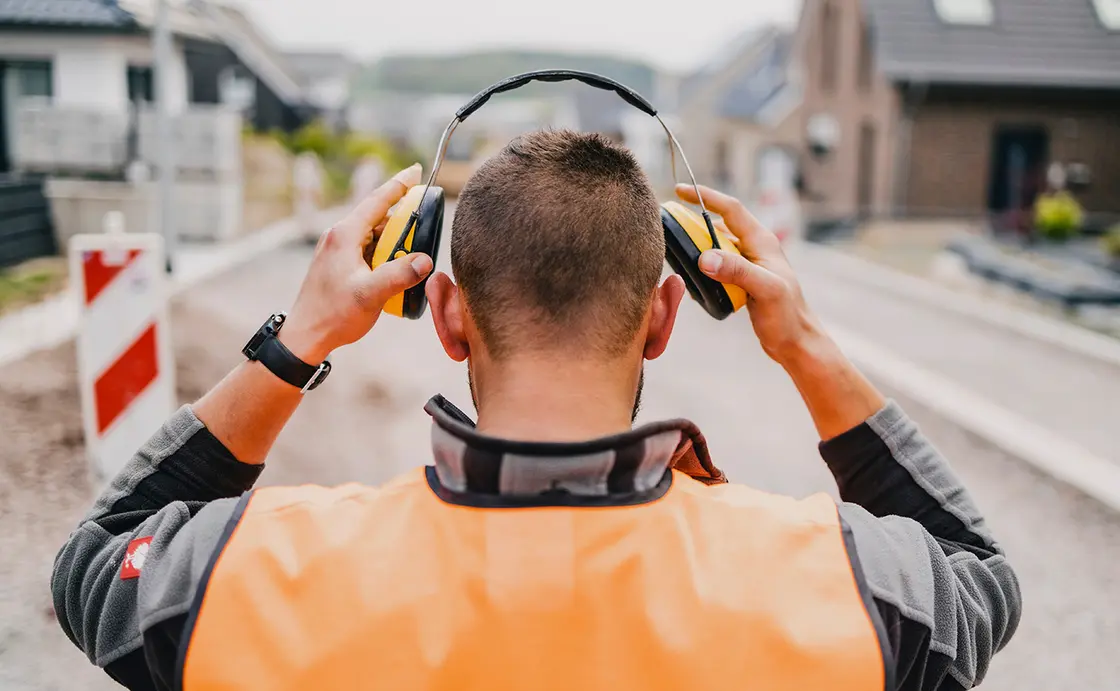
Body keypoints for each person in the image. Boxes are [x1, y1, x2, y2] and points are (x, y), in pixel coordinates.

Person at [52, 131, 1020, 691]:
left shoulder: (259, 571)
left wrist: (299, 338)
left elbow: (101, 558)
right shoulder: (849, 585)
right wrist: (803, 343)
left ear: (443, 313)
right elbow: (976, 576)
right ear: (664, 314)